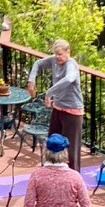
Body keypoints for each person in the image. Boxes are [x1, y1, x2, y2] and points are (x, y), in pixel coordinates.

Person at [27, 39, 83, 171]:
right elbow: (38, 63)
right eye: (56, 54)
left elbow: (69, 79)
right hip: (58, 109)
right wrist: (31, 81)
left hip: (72, 112)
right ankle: (51, 173)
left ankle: (73, 180)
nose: (57, 57)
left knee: (70, 150)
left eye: (60, 54)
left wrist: (49, 93)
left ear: (68, 52)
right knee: (52, 143)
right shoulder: (54, 60)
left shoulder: (71, 64)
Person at [23, 134, 93, 207]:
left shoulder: (37, 175)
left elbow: (28, 204)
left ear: (45, 152)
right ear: (65, 153)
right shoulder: (75, 176)